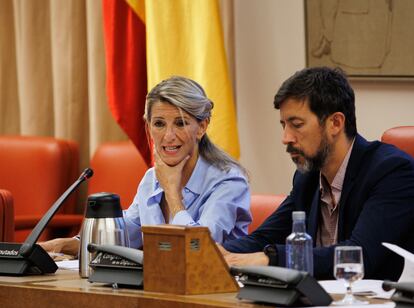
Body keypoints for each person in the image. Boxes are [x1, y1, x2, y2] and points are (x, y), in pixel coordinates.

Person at [220, 67, 414, 281]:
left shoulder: (392, 172)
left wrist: (269, 259)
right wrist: (213, 254)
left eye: (296, 125)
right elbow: (263, 238)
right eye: (284, 125)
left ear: (335, 123)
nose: (286, 138)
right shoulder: (308, 177)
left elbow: (359, 256)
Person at [41, 76, 251, 255]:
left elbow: (198, 249)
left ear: (201, 127)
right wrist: (61, 245)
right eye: (159, 124)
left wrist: (172, 194)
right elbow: (125, 234)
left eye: (180, 123)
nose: (168, 136)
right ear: (148, 127)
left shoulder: (229, 181)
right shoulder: (152, 178)